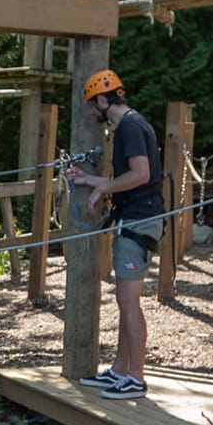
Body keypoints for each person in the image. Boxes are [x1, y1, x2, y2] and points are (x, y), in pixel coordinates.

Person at [64, 69, 163, 401]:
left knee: (129, 302)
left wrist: (104, 186)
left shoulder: (129, 127)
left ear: (104, 100)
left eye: (94, 106)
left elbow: (142, 174)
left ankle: (136, 376)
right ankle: (121, 370)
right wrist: (92, 182)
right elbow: (132, 177)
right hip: (133, 217)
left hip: (138, 220)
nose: (93, 114)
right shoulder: (132, 125)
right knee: (125, 300)